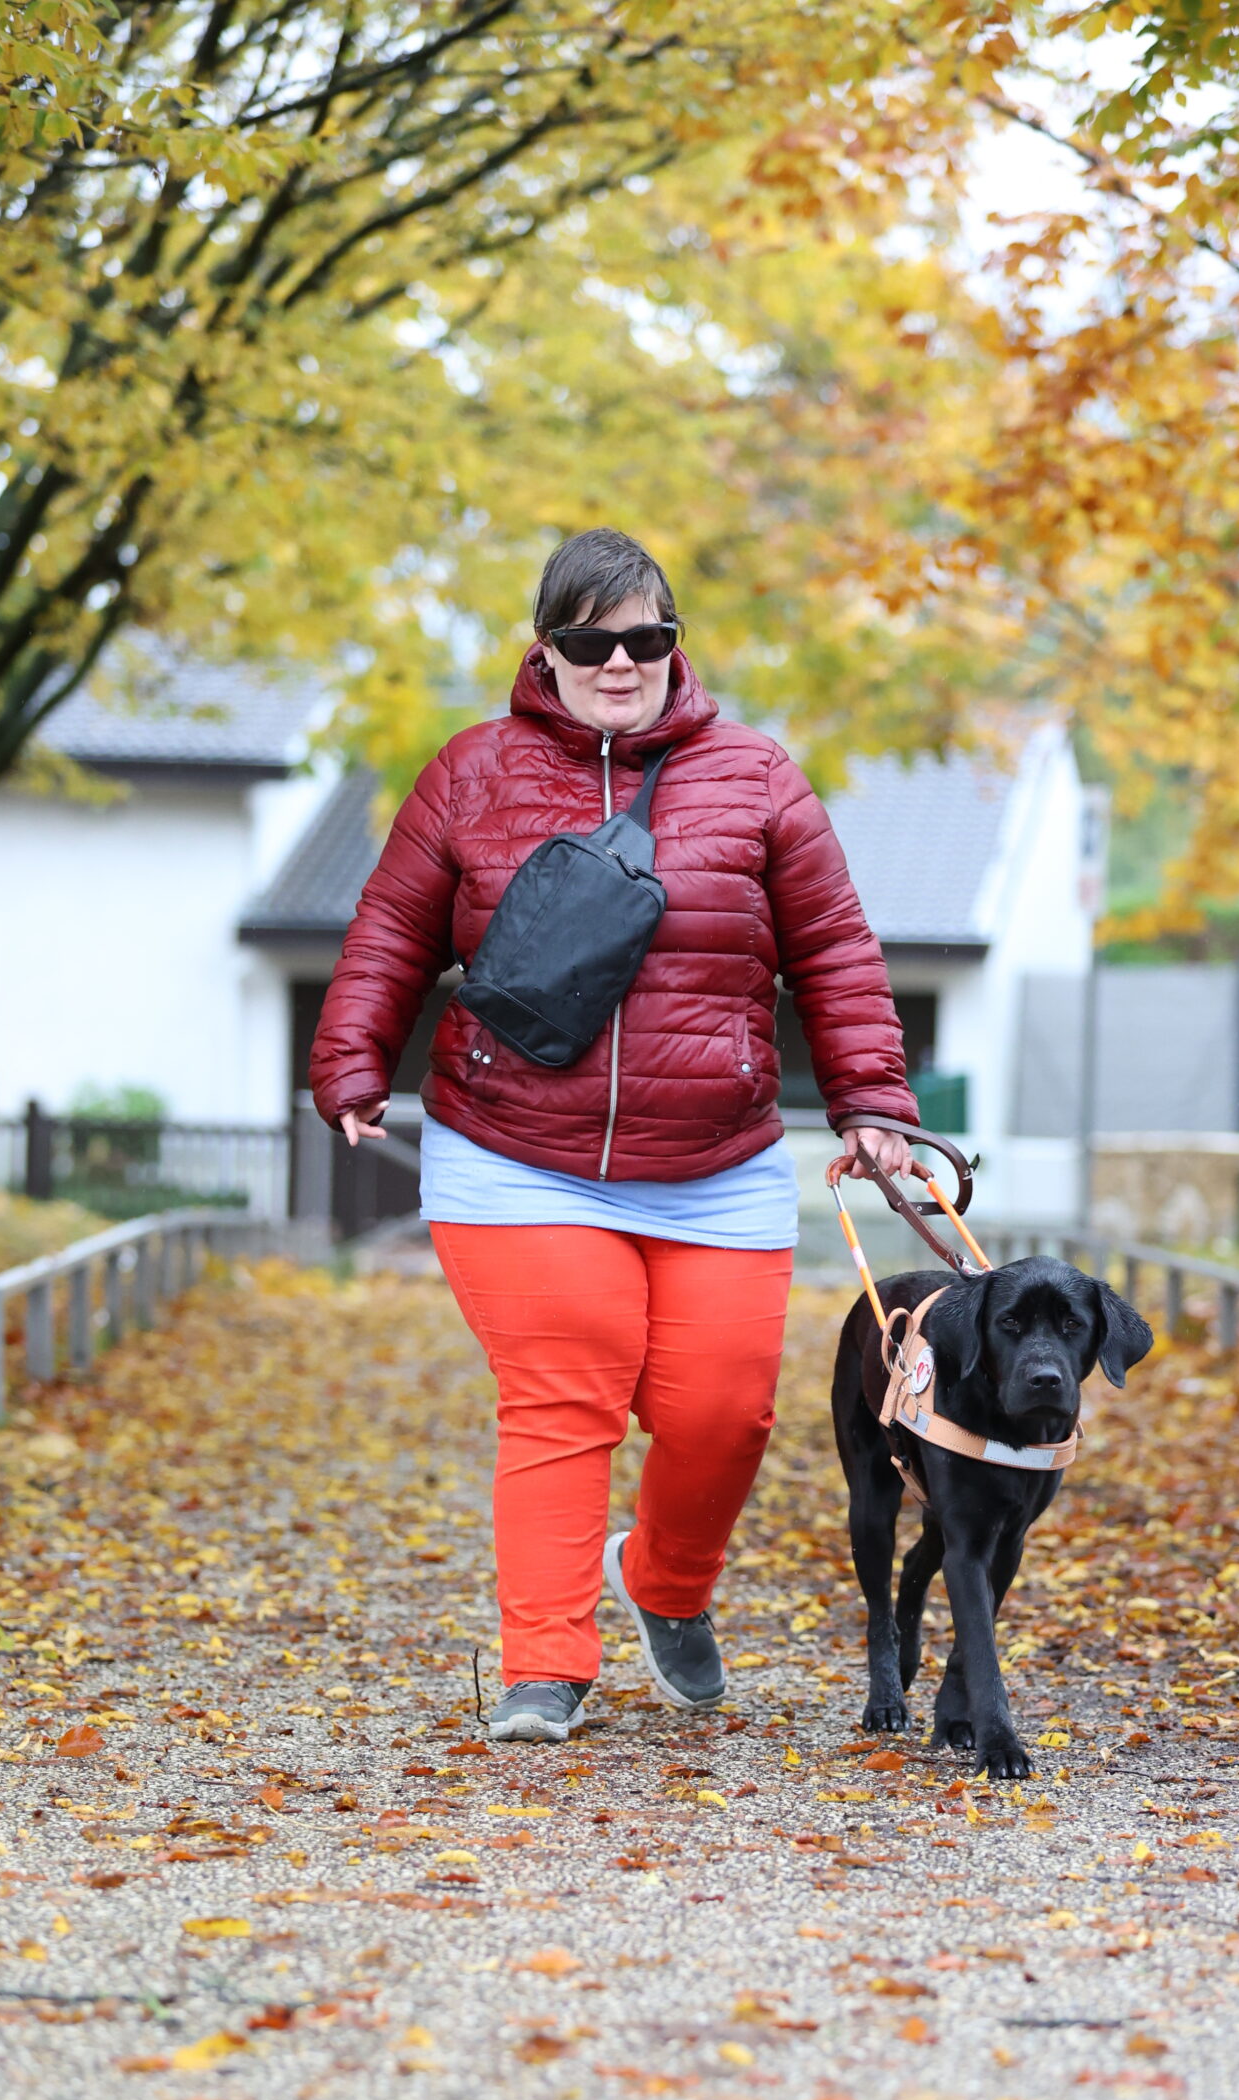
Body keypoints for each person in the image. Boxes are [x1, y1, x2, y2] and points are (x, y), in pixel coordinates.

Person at [310, 527, 917, 1741]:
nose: (623, 662)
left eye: (648, 638)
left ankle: (665, 1584)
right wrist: (350, 1055)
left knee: (722, 1410)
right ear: (549, 650)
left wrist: (872, 1099)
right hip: (513, 1145)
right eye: (594, 640)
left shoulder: (756, 777)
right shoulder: (470, 773)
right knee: (565, 1384)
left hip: (718, 1154)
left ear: (675, 645)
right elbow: (392, 926)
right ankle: (545, 1659)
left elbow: (834, 949)